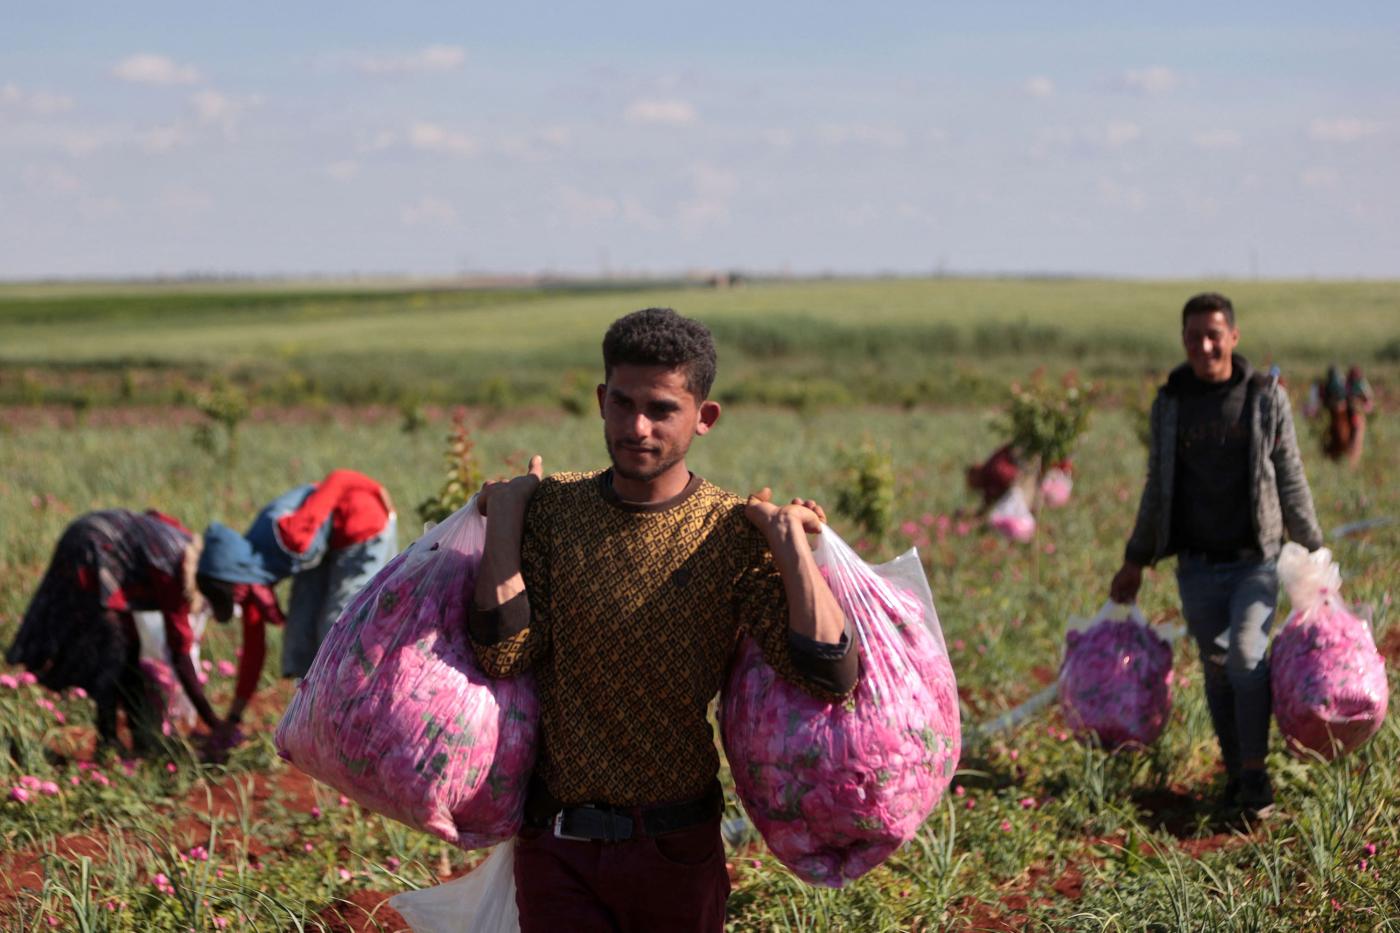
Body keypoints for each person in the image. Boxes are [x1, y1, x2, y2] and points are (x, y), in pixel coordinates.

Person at [466, 308, 859, 932]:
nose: (636, 427)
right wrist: (508, 520)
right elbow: (503, 653)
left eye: (661, 409)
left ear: (704, 418)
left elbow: (829, 673)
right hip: (556, 846)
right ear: (600, 400)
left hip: (674, 847)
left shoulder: (730, 531)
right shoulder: (556, 511)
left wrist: (789, 545)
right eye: (621, 404)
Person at [1109, 292, 1323, 819]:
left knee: (1248, 658)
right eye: (1193, 337)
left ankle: (1255, 773)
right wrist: (1135, 558)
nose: (1204, 346)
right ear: (1183, 341)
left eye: (1214, 334)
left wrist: (1314, 550)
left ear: (1233, 336)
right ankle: (1234, 772)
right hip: (1197, 566)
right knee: (1217, 667)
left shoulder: (1264, 397)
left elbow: (1290, 475)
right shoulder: (1171, 404)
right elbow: (1158, 485)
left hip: (1256, 560)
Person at [196, 469, 397, 743]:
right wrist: (233, 718)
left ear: (235, 579)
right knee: (300, 635)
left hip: (363, 525)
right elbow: (254, 648)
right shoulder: (250, 576)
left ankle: (362, 720)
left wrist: (376, 489)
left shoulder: (291, 536)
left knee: (338, 627)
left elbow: (339, 478)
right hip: (328, 541)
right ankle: (314, 720)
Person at [6, 509, 225, 755]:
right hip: (92, 549)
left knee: (128, 649)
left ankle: (136, 734)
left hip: (100, 544)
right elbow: (180, 654)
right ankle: (108, 738)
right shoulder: (174, 569)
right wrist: (213, 721)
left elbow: (154, 516)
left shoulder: (185, 548)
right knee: (112, 649)